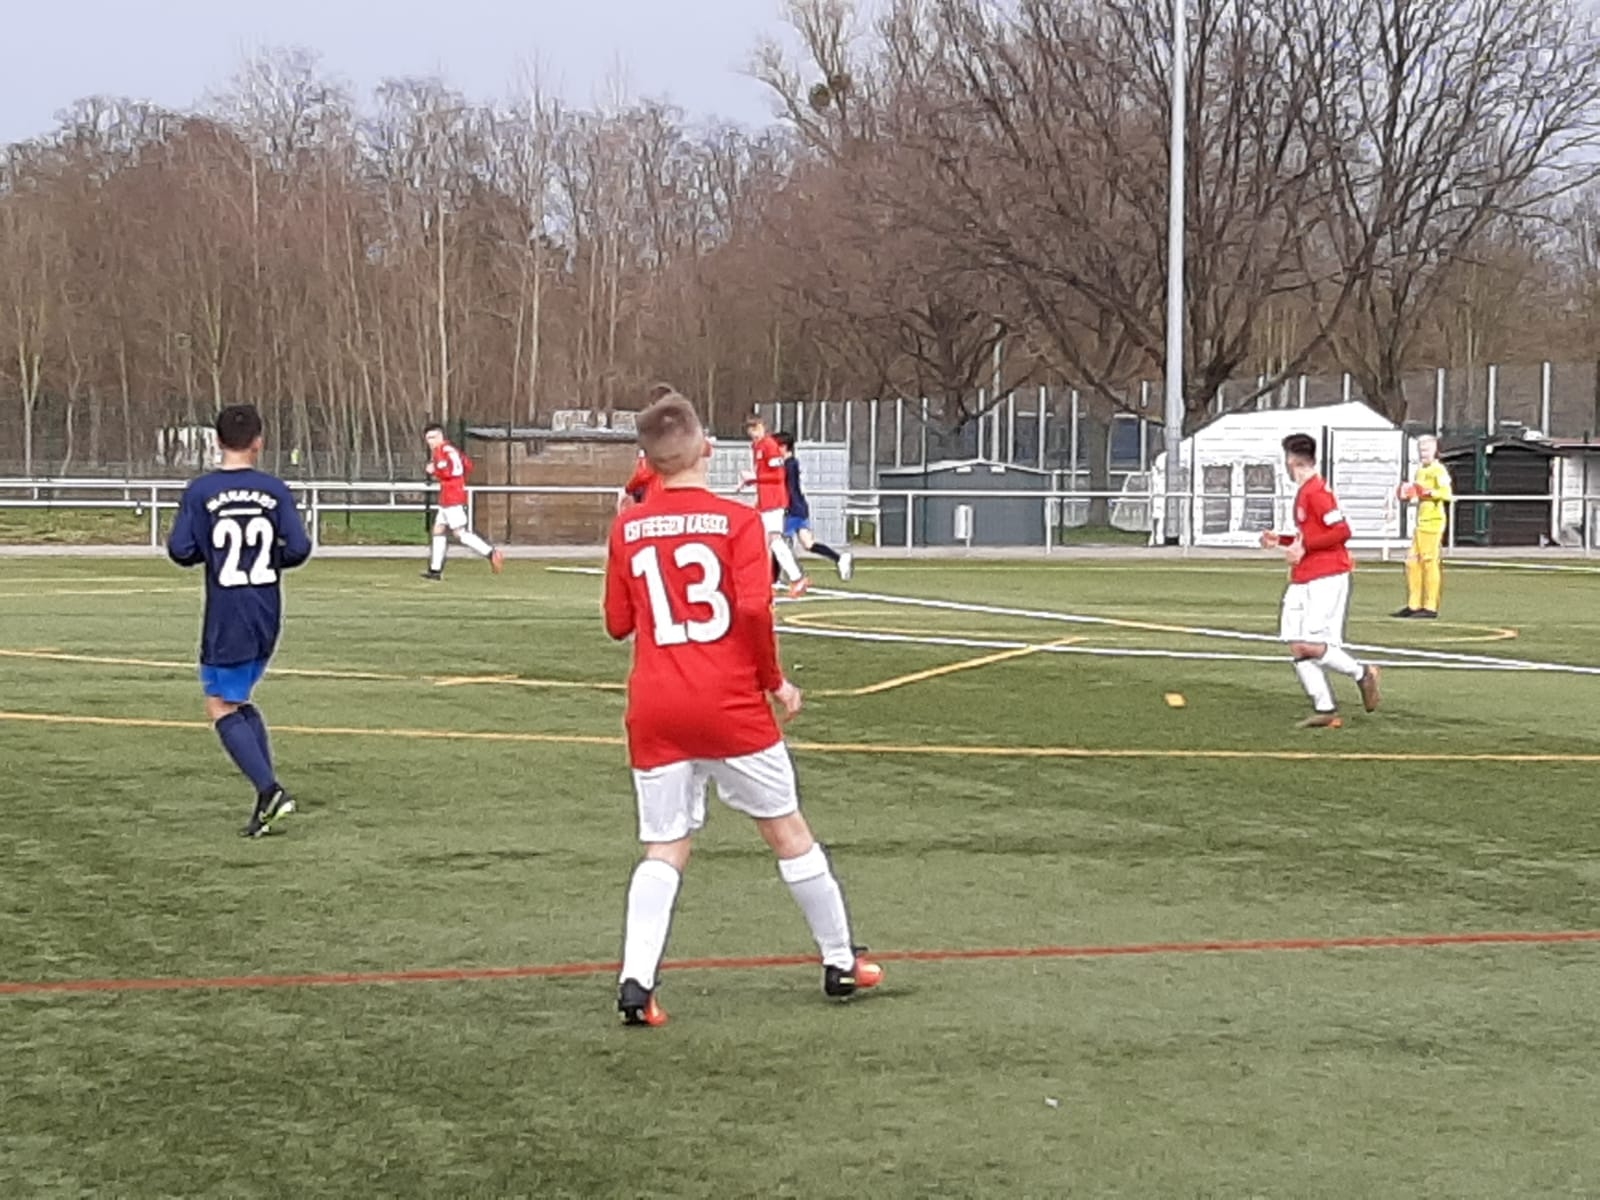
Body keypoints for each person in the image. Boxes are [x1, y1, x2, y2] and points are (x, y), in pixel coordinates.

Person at [603, 390, 882, 1026]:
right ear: (707, 448)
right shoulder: (737, 522)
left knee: (664, 845)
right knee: (788, 831)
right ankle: (840, 960)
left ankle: (636, 982)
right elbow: (754, 608)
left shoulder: (627, 527)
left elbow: (618, 623)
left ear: (648, 461)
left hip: (657, 707)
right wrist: (774, 682)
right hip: (730, 705)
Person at [167, 404, 312, 837]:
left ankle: (270, 791)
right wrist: (268, 560)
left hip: (227, 611)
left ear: (216, 441)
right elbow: (299, 547)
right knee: (238, 700)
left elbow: (180, 550)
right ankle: (266, 799)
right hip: (266, 608)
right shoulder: (274, 490)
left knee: (219, 704)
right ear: (258, 442)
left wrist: (212, 554)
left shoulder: (201, 491)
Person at [1259, 433, 1383, 728]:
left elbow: (1341, 531)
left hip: (1327, 575)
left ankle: (1362, 673)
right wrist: (1283, 540)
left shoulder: (1317, 492)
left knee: (1311, 644)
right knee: (1296, 643)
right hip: (1304, 576)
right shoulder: (1306, 491)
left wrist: (1304, 547)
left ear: (1291, 460)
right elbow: (1310, 535)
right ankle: (1325, 708)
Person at [421, 423, 505, 580]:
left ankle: (491, 553)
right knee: (438, 529)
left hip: (451, 497)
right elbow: (468, 465)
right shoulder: (452, 450)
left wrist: (434, 471)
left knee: (460, 533)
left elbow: (447, 472)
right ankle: (435, 570)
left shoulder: (441, 451)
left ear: (440, 436)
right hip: (450, 495)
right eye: (428, 439)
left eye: (433, 437)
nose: (430, 442)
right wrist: (459, 481)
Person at [740, 413, 808, 598]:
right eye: (750, 429)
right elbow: (765, 476)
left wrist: (755, 478)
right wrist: (751, 482)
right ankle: (766, 581)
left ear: (763, 427)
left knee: (774, 541)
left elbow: (778, 476)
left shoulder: (770, 445)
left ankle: (796, 578)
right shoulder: (757, 446)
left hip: (774, 501)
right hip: (765, 501)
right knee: (763, 542)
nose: (753, 432)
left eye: (756, 428)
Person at [773, 431, 854, 581]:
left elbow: (789, 489)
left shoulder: (789, 464)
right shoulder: (790, 464)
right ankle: (839, 558)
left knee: (777, 541)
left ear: (783, 447)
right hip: (799, 507)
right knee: (808, 543)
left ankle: (775, 579)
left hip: (793, 509)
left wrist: (785, 507)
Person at [1393, 435, 1453, 619]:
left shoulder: (1439, 470)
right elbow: (1418, 494)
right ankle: (1414, 604)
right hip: (1421, 522)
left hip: (1433, 522)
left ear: (1435, 450)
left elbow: (1446, 494)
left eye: (1426, 450)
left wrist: (1427, 492)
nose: (1423, 454)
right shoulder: (1420, 471)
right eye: (1420, 450)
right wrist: (1407, 494)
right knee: (1412, 562)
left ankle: (1430, 606)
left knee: (1429, 562)